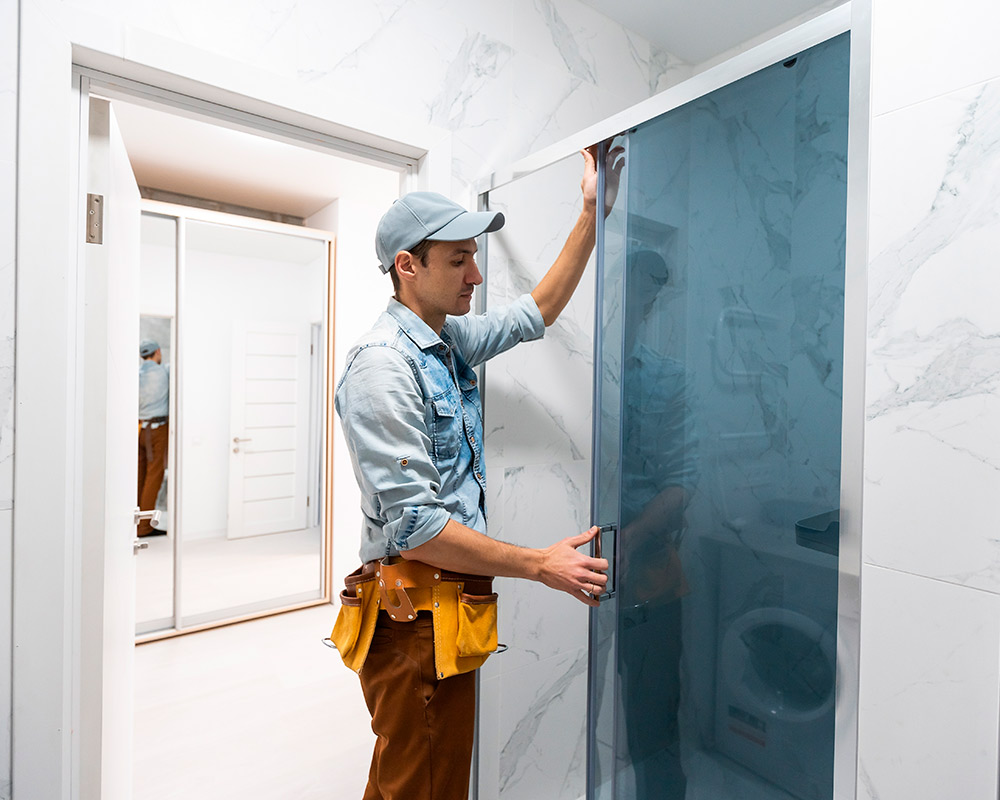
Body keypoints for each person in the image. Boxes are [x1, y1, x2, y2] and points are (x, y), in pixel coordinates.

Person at [334, 145, 623, 800]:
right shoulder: (384, 365)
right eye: (459, 259)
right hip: (414, 616)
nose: (475, 275)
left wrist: (590, 213)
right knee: (426, 787)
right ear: (408, 267)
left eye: (474, 257)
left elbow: (537, 312)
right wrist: (539, 564)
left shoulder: (446, 340)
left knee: (411, 780)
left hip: (447, 605)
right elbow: (416, 527)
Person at [137, 338, 169, 537]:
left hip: (140, 430)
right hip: (157, 430)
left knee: (138, 476)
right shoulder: (163, 372)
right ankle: (145, 527)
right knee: (153, 477)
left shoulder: (137, 374)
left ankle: (135, 523)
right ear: (158, 352)